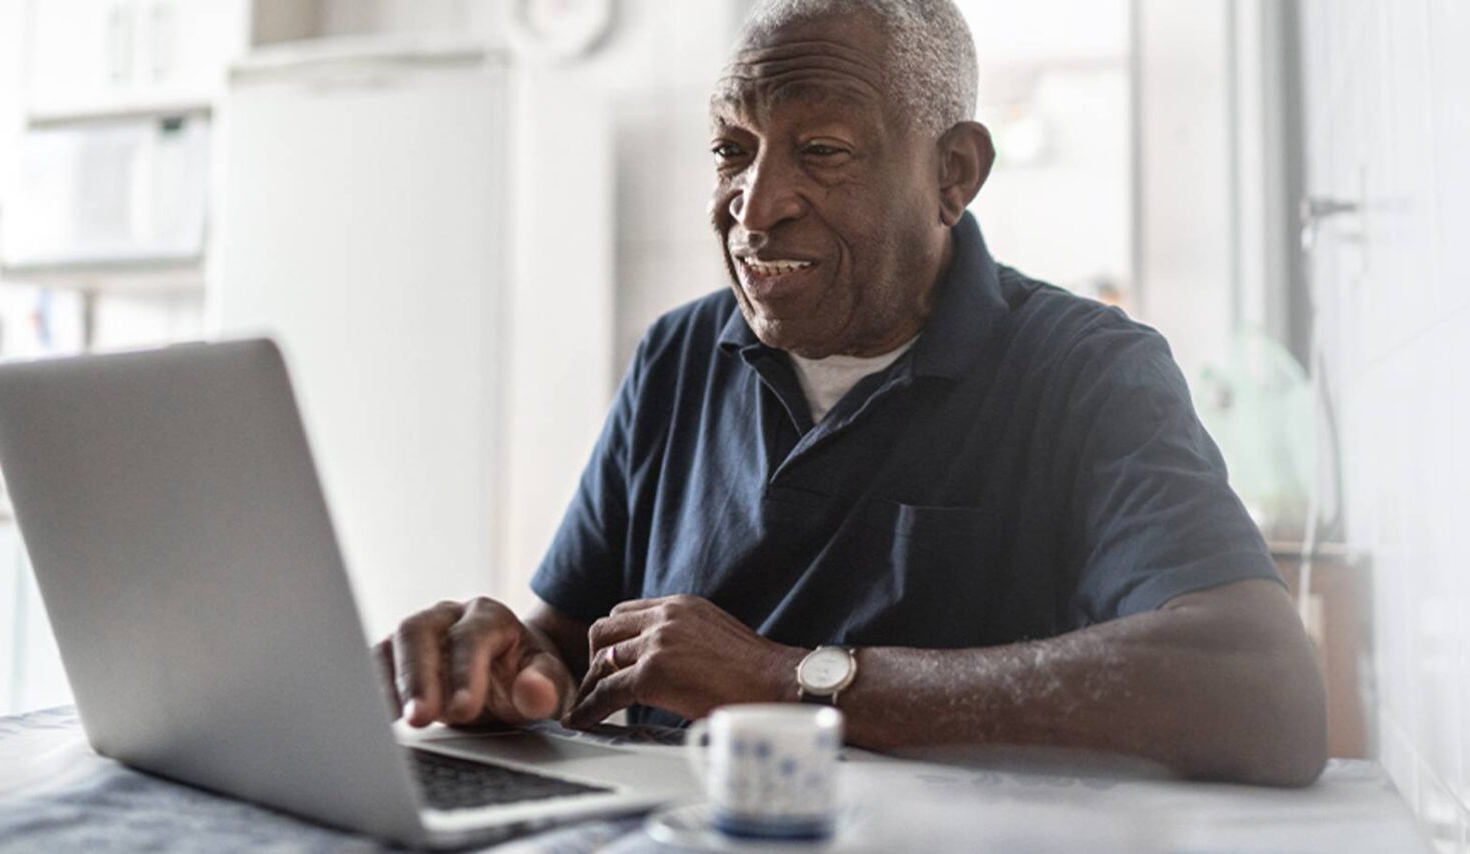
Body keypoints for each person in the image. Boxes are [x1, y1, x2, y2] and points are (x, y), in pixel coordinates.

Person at [375, 0, 1326, 786]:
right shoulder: (677, 354)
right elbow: (571, 650)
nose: (754, 203)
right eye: (730, 149)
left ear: (954, 173)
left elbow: (1262, 692)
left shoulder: (1085, 372)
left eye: (821, 148)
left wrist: (791, 681)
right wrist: (500, 671)